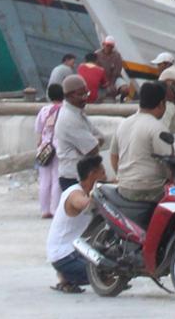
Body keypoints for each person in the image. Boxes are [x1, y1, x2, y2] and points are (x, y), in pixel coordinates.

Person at [47, 155, 106, 294]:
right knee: (105, 273)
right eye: (102, 173)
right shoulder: (74, 193)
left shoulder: (84, 190)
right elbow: (85, 204)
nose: (105, 176)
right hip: (64, 255)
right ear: (92, 175)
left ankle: (66, 277)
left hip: (73, 251)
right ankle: (67, 275)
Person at [110, 82, 172, 205]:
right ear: (161, 104)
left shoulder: (123, 124)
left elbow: (114, 157)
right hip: (150, 191)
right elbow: (169, 163)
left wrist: (124, 177)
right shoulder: (158, 128)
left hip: (123, 189)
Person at [52, 75, 104, 191]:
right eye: (81, 95)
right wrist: (93, 141)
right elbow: (92, 149)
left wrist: (93, 141)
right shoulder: (69, 118)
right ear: (69, 96)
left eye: (86, 93)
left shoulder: (77, 113)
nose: (85, 98)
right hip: (73, 177)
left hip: (82, 175)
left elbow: (101, 137)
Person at [34, 83, 67, 218]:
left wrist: (40, 143)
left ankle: (44, 210)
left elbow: (38, 129)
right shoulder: (65, 110)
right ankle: (55, 209)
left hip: (45, 148)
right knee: (56, 179)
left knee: (44, 180)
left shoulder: (44, 110)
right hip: (59, 147)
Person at [95, 37, 131, 102]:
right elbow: (95, 69)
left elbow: (117, 71)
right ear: (103, 44)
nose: (109, 48)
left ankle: (121, 100)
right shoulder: (97, 54)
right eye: (107, 45)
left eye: (111, 46)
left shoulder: (117, 55)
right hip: (101, 79)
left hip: (115, 78)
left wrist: (111, 84)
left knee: (125, 89)